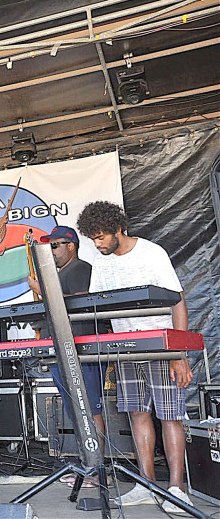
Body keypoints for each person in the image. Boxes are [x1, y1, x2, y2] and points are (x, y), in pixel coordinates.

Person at [77, 201, 193, 512]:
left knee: (170, 415)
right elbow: (99, 304)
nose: (97, 244)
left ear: (118, 228)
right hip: (127, 348)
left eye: (101, 237)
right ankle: (146, 485)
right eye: (93, 239)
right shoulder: (101, 262)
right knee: (137, 414)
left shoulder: (151, 253)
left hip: (162, 346)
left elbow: (178, 302)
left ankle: (177, 489)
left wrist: (178, 353)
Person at [27, 226, 106, 487]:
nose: (51, 250)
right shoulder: (59, 274)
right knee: (76, 412)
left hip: (81, 351)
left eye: (55, 245)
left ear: (70, 245)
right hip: (63, 350)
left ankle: (96, 471)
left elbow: (80, 303)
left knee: (89, 409)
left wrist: (43, 289)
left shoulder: (80, 269)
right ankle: (87, 465)